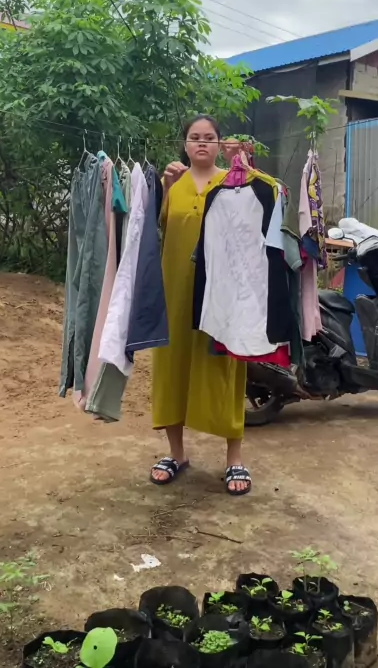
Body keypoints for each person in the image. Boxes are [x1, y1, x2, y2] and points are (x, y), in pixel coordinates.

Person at [150, 114, 251, 496]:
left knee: (225, 366)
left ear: (220, 143)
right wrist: (166, 186)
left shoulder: (234, 180)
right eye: (195, 137)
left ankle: (234, 457)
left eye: (209, 137)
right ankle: (176, 453)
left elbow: (258, 216)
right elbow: (160, 227)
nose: (202, 143)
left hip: (221, 294)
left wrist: (246, 165)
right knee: (171, 365)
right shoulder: (173, 184)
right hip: (175, 290)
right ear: (185, 144)